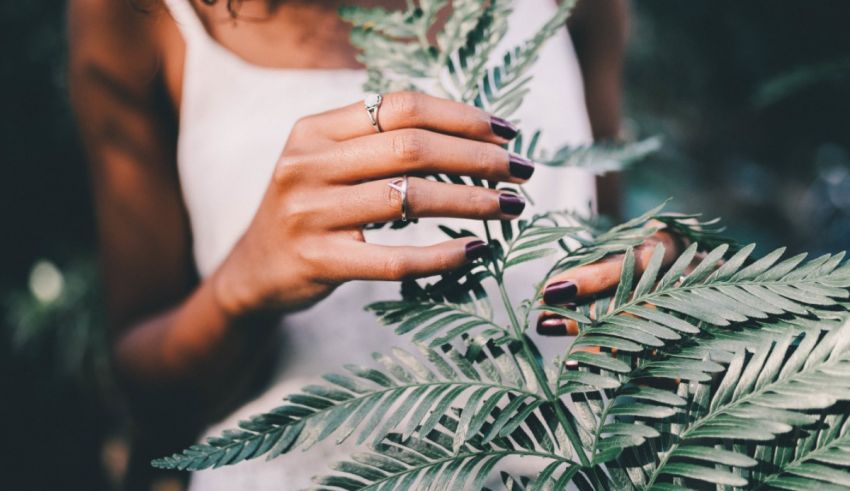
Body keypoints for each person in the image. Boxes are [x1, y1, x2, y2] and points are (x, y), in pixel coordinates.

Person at [69, 0, 672, 488]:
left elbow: (604, 247)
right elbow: (151, 395)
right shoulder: (138, 15)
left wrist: (673, 291)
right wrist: (241, 287)